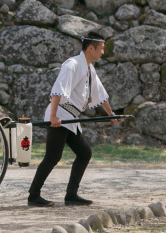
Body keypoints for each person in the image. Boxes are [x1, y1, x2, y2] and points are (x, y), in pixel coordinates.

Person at [27, 32, 120, 208]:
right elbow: (58, 90)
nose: (103, 52)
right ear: (91, 48)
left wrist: (111, 114)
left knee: (84, 153)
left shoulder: (89, 68)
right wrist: (53, 116)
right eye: (101, 49)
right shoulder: (72, 64)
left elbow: (99, 92)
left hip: (70, 118)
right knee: (53, 156)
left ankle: (71, 195)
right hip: (60, 114)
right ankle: (33, 195)